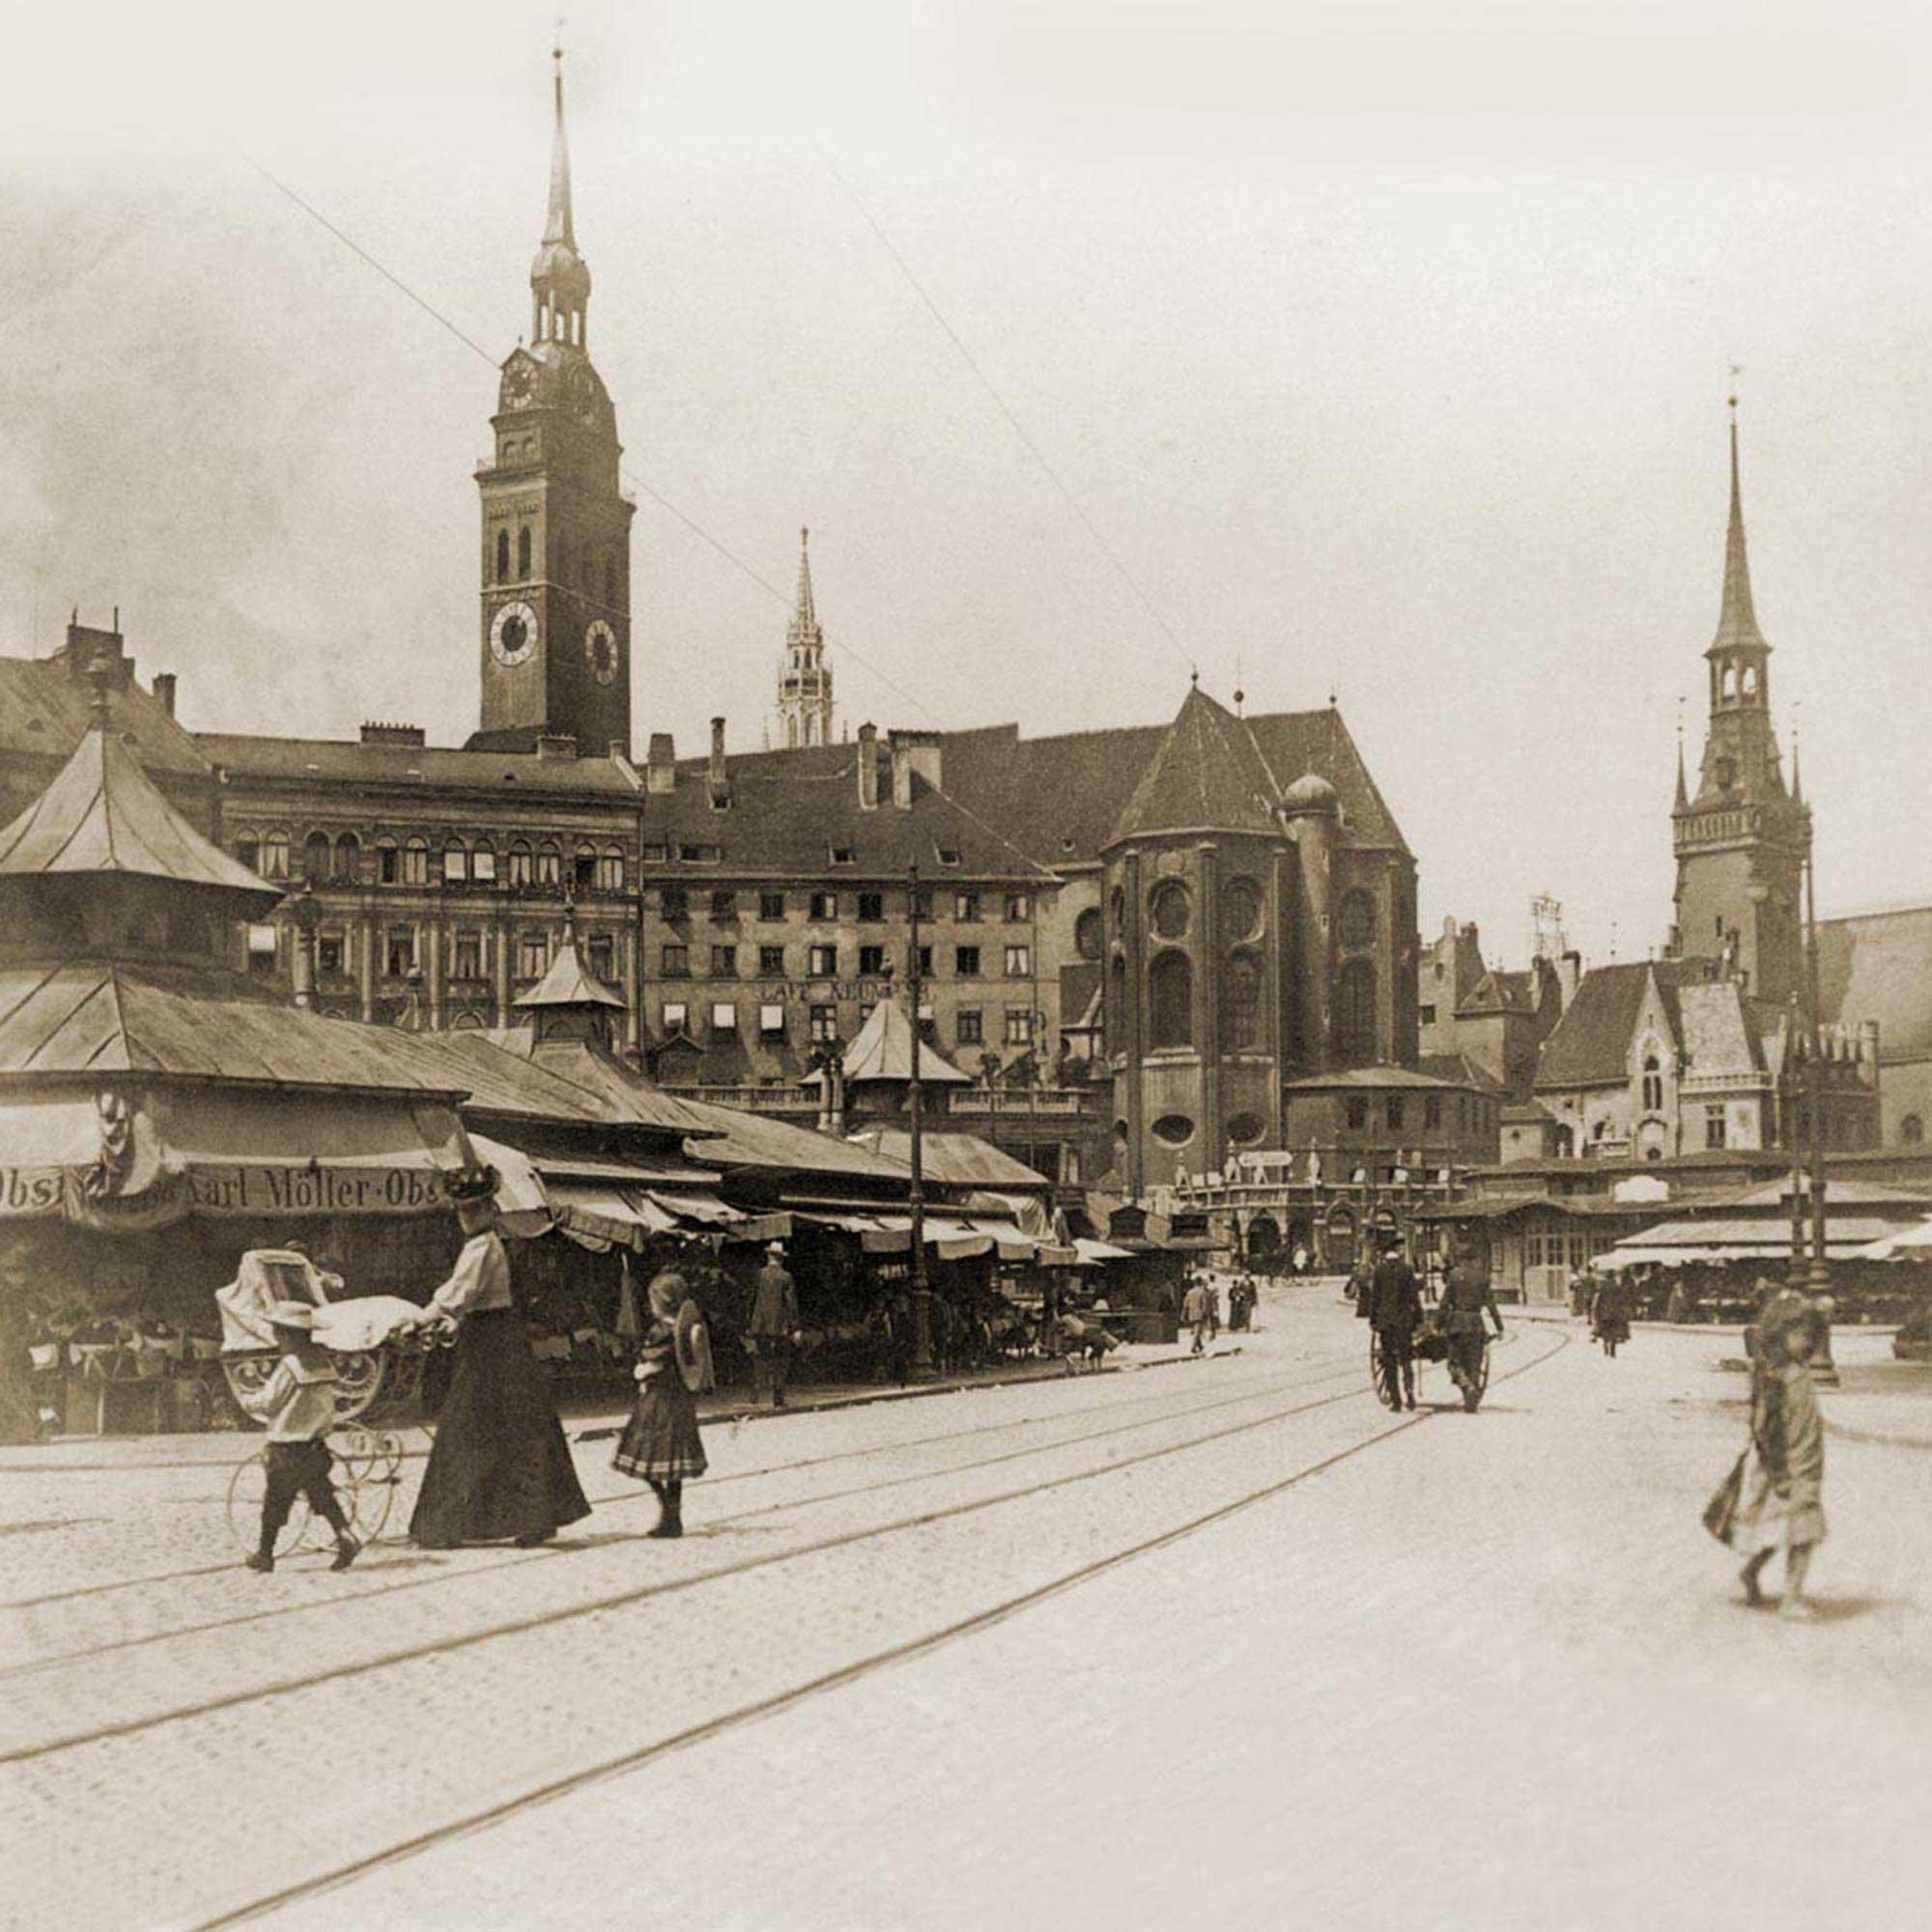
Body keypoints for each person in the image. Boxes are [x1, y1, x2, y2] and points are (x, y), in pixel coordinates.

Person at [404, 1169, 591, 1549]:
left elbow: (459, 1295)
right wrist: (447, 1324)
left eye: (475, 1210)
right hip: (495, 1339)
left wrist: (420, 1318)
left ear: (490, 1209)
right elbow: (471, 1304)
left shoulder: (481, 1247)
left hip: (491, 1347)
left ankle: (446, 1525)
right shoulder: (487, 1244)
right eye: (463, 1211)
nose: (468, 1217)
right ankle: (535, 1519)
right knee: (515, 1428)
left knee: (467, 1427)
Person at [232, 1302, 359, 1574]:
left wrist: (247, 1400)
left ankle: (265, 1554)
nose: (277, 1340)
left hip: (287, 1448)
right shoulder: (323, 1364)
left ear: (288, 1335)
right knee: (322, 1493)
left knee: (275, 1501)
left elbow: (270, 1401)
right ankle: (345, 1535)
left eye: (278, 1334)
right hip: (316, 1446)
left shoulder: (291, 1366)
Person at [1726, 1301, 1828, 1620]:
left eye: (1811, 1335)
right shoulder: (1776, 1377)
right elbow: (1764, 1426)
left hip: (1804, 1462)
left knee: (1778, 1530)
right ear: (1778, 1336)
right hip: (1785, 1465)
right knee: (1802, 1532)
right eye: (1799, 1335)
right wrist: (1780, 1470)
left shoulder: (1795, 1371)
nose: (1806, 1342)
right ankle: (1791, 1598)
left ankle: (1750, 1573)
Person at [612, 1268, 710, 1538]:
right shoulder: (687, 1329)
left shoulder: (660, 1332)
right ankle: (673, 1517)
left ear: (660, 1302)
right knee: (673, 1465)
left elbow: (653, 1362)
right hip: (680, 1401)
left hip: (658, 1401)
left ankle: (667, 1509)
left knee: (645, 1458)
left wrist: (641, 1370)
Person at [1439, 1246, 1504, 1406]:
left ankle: (1465, 1384)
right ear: (1474, 1260)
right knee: (1474, 1362)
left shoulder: (1454, 1276)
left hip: (1457, 1324)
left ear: (1461, 1260)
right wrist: (1499, 1327)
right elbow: (1491, 1304)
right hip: (1476, 1324)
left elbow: (1445, 1303)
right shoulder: (1482, 1277)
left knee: (1454, 1362)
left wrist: (1438, 1323)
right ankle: (1471, 1401)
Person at [1368, 1239, 1424, 1410]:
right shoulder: (1406, 1270)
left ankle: (1396, 1400)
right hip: (1404, 1322)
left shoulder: (1379, 1271)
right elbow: (1414, 1297)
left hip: (1386, 1323)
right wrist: (1419, 1318)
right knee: (1406, 1360)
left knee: (1389, 1360)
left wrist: (1373, 1320)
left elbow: (1375, 1298)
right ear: (1397, 1252)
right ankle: (1409, 1393)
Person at [746, 1241, 801, 1407]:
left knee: (760, 1360)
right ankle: (778, 1399)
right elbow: (791, 1304)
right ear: (781, 1258)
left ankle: (754, 1396)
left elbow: (751, 1300)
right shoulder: (786, 1277)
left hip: (760, 1325)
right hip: (779, 1326)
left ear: (769, 1256)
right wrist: (795, 1327)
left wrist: (749, 1323)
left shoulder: (759, 1275)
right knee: (780, 1361)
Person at [1589, 1273, 1632, 1357]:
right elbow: (1622, 1302)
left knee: (1605, 1332)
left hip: (1604, 1314)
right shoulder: (1618, 1288)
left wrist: (1596, 1313)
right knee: (1614, 1332)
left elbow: (1598, 1303)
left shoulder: (1602, 1289)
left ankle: (1605, 1348)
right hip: (1615, 1314)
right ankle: (1613, 1349)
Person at [1181, 1273, 1209, 1354]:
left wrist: (1184, 1314)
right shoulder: (1202, 1292)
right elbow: (1205, 1305)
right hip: (1199, 1314)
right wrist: (1205, 1314)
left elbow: (1185, 1304)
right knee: (1197, 1331)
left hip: (1191, 1313)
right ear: (1200, 1283)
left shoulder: (1189, 1292)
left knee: (1196, 1329)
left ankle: (1200, 1345)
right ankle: (1193, 1347)